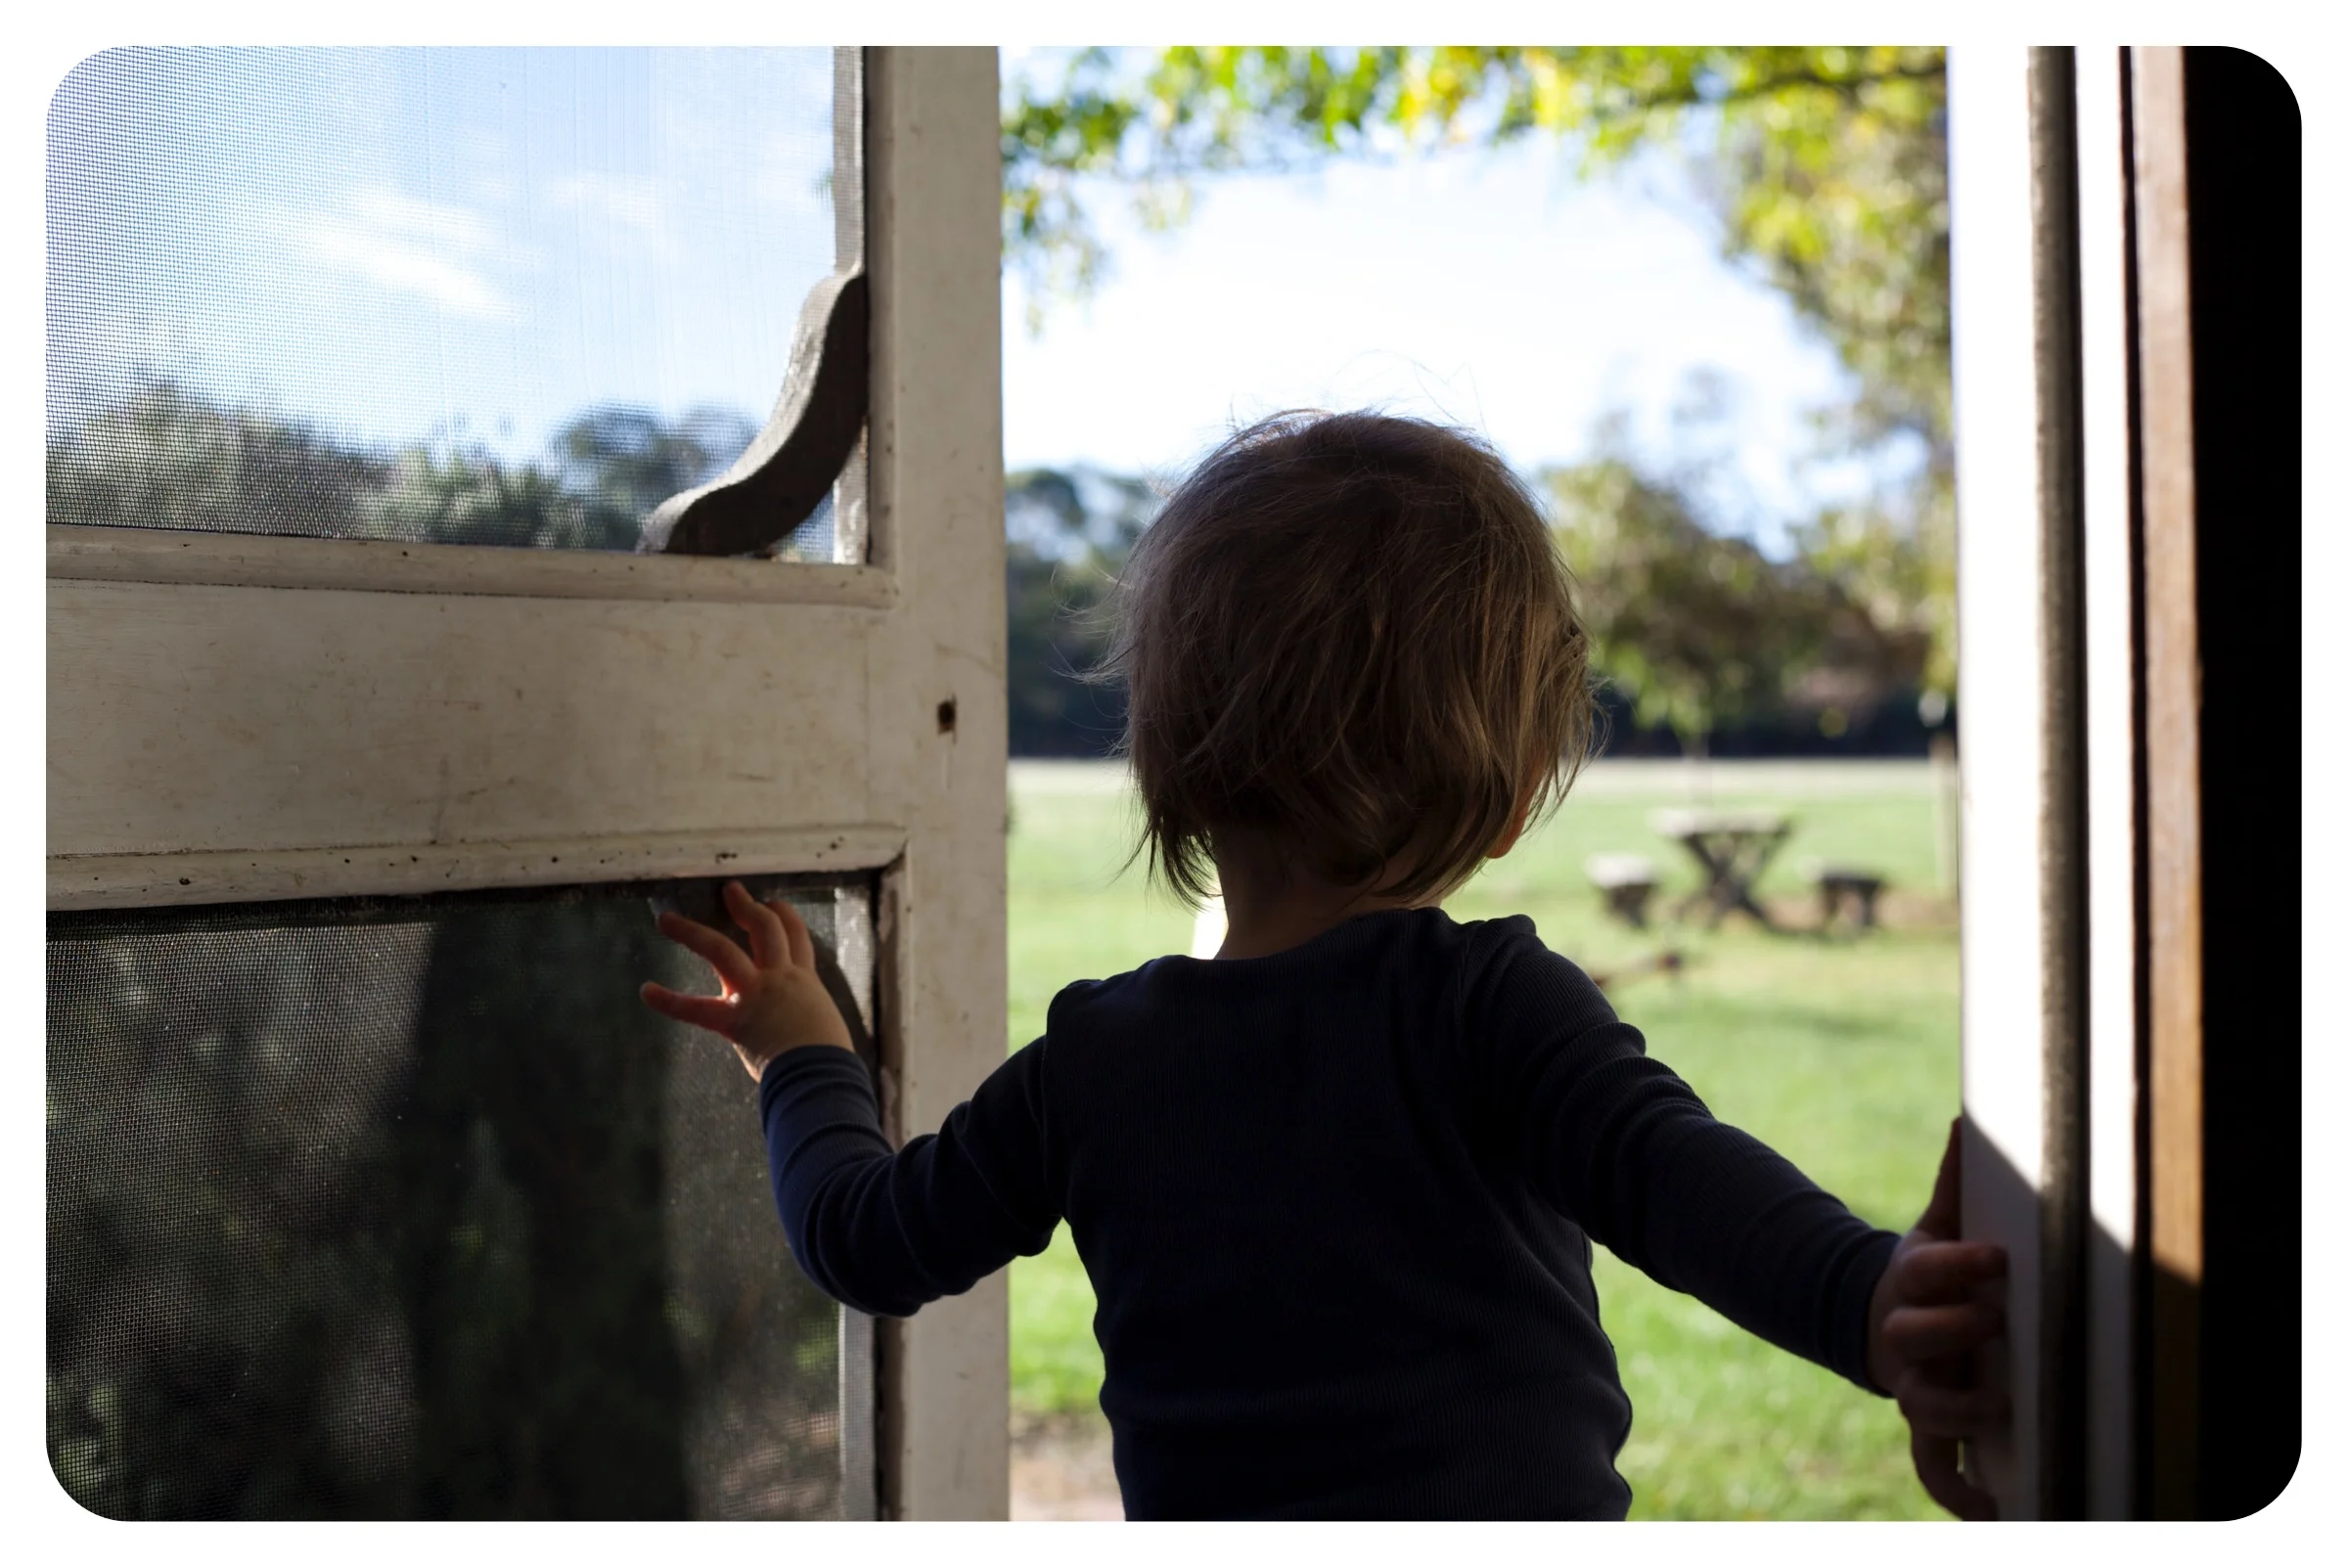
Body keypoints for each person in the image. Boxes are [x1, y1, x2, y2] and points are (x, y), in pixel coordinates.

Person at [641, 412, 2009, 1521]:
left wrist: (800, 1046)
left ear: (1167, 752)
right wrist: (1868, 1301)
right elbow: (1680, 1186)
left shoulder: (1096, 1066)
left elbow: (867, 1238)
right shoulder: (1486, 1007)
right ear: (1522, 781)